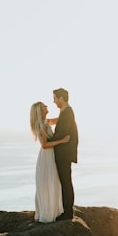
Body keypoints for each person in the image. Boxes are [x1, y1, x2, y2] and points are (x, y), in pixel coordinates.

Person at [30, 101, 70, 223]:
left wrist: (66, 111)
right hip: (47, 156)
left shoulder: (46, 122)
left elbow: (59, 120)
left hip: (51, 155)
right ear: (40, 111)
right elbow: (45, 145)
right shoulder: (41, 125)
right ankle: (47, 213)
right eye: (44, 106)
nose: (47, 106)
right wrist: (63, 141)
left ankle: (52, 210)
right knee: (48, 182)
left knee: (52, 182)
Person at [50, 88, 78, 221]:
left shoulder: (67, 112)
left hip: (64, 154)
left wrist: (47, 141)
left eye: (55, 98)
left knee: (66, 182)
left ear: (61, 98)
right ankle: (66, 210)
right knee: (65, 182)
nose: (54, 101)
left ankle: (68, 212)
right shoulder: (65, 112)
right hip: (64, 153)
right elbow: (60, 123)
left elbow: (61, 133)